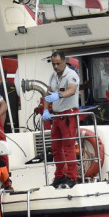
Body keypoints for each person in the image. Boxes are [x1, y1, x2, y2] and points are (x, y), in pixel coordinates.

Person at [42, 51, 80, 189]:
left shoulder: (71, 75)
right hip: (57, 116)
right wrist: (45, 109)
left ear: (65, 61)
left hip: (69, 115)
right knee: (56, 148)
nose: (56, 66)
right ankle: (59, 176)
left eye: (58, 63)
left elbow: (72, 90)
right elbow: (47, 92)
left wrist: (59, 95)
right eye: (53, 64)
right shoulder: (53, 75)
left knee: (69, 147)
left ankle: (71, 177)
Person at [0, 65, 19, 133]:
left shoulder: (0, 89)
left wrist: (0, 129)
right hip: (16, 122)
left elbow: (2, 108)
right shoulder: (12, 86)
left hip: (6, 124)